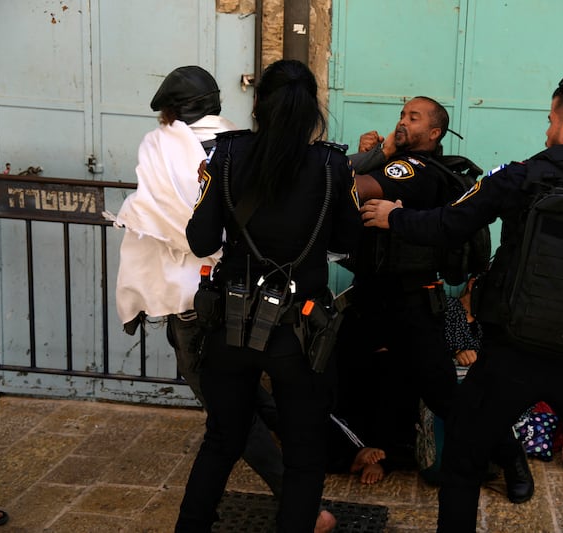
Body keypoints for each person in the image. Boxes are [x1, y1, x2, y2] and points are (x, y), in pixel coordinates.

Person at [360, 73, 563, 531]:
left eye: (549, 120)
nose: (546, 131)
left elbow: (450, 224)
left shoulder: (522, 176)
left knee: (461, 468)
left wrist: (396, 217)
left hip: (509, 357)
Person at [176, 59, 360, 533]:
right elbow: (348, 239)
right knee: (303, 453)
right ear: (312, 111)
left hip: (231, 325)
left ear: (257, 105)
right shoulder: (332, 166)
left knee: (221, 440)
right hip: (299, 333)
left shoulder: (227, 155)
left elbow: (200, 241)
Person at [339, 100, 533, 502]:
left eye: (414, 118)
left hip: (410, 301)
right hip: (373, 295)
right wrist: (372, 157)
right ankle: (369, 451)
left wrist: (373, 158)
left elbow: (349, 189)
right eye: (402, 115)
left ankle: (511, 457)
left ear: (434, 135)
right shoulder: (398, 164)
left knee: (445, 395)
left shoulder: (415, 169)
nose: (402, 122)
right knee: (352, 373)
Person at [112, 65, 286, 502]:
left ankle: (297, 498)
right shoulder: (241, 141)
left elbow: (164, 215)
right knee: (248, 388)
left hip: (191, 300)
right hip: (244, 291)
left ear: (170, 111)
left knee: (226, 409)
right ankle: (324, 455)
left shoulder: (159, 146)